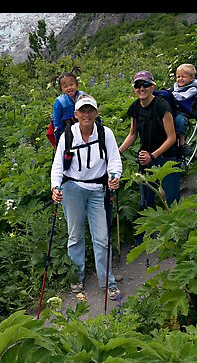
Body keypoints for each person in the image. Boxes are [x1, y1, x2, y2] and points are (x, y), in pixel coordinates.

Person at [51, 95, 122, 299]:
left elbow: (114, 160)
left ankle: (107, 282)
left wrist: (114, 176)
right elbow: (57, 165)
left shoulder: (105, 133)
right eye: (82, 111)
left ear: (96, 113)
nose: (86, 115)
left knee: (101, 237)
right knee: (75, 236)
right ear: (76, 115)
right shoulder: (68, 135)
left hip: (98, 189)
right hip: (72, 188)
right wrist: (56, 187)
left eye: (90, 111)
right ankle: (76, 278)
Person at [118, 70, 181, 243]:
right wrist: (117, 153)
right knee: (146, 201)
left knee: (172, 200)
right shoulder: (136, 107)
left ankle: (177, 238)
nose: (141, 88)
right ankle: (146, 239)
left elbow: (172, 137)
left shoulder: (161, 105)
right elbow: (132, 135)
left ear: (152, 86)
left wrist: (153, 156)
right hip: (146, 158)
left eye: (145, 84)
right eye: (138, 85)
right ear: (134, 88)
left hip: (166, 157)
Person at [51, 71, 86, 146]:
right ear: (61, 89)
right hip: (67, 129)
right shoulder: (60, 101)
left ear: (77, 84)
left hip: (83, 125)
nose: (69, 88)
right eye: (65, 86)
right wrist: (57, 129)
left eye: (71, 85)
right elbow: (57, 118)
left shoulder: (82, 95)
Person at [171, 64, 197, 157]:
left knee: (180, 121)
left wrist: (169, 95)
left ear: (191, 78)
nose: (180, 79)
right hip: (173, 111)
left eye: (183, 77)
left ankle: (182, 144)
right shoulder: (175, 86)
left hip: (185, 111)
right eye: (178, 76)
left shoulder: (192, 89)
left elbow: (182, 97)